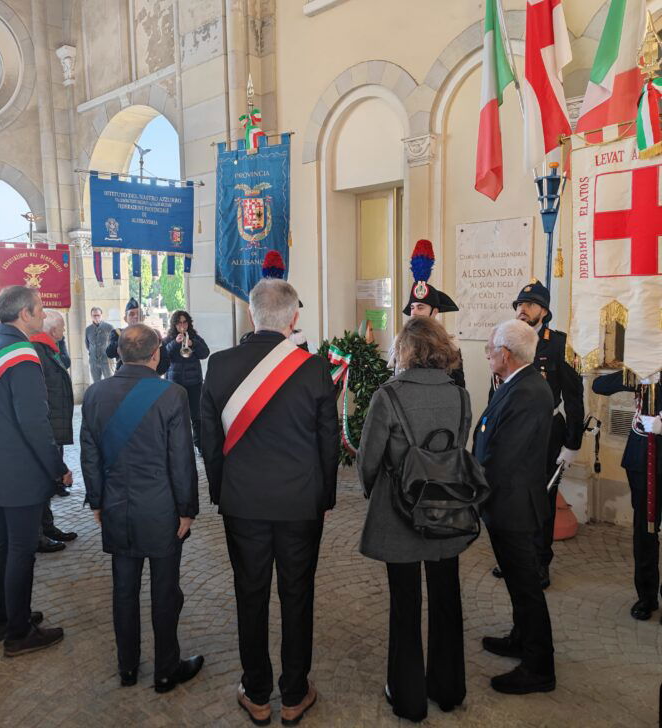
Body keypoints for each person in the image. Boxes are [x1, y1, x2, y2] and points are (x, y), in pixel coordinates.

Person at [201, 278, 339, 726]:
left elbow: (208, 442)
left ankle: (257, 693)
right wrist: (325, 497)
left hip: (244, 502)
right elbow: (327, 442)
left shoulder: (219, 366)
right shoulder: (315, 369)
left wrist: (223, 492)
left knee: (250, 594)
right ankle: (295, 694)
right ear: (294, 318)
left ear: (251, 314)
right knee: (298, 596)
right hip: (301, 502)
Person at [358, 315, 471, 722]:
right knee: (447, 599)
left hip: (398, 509)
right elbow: (459, 446)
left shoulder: (388, 396)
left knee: (405, 605)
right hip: (449, 508)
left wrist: (374, 489)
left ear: (405, 350)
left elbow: (369, 460)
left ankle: (407, 698)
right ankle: (449, 688)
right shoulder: (460, 394)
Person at [80, 324, 203, 692]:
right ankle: (166, 670)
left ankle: (127, 668)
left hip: (117, 505)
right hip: (161, 508)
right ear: (155, 355)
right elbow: (181, 459)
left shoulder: (95, 394)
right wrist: (187, 509)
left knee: (123, 590)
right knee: (166, 591)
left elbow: (89, 454)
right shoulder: (172, 394)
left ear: (118, 353)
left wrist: (98, 502)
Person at [0, 285, 71, 656]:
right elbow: (34, 421)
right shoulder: (22, 354)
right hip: (19, 469)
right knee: (21, 551)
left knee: (1, 545)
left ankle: (4, 618)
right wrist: (57, 467)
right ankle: (18, 632)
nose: (44, 315)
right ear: (24, 314)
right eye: (41, 309)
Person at [473, 319, 555, 694]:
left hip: (513, 504)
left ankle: (539, 667)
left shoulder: (527, 391)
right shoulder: (518, 384)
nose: (488, 354)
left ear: (505, 353)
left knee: (526, 587)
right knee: (517, 581)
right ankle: (521, 638)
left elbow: (505, 456)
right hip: (506, 501)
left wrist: (475, 490)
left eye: (490, 349)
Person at [491, 281, 585, 588]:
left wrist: (572, 443)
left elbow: (573, 397)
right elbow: (496, 389)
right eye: (519, 304)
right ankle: (513, 558)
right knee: (512, 497)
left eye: (529, 304)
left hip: (546, 433)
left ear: (543, 310)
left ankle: (540, 562)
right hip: (510, 432)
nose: (522, 309)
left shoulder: (558, 344)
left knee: (541, 501)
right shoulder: (505, 339)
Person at [593, 372, 662, 621]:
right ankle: (646, 596)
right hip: (642, 458)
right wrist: (635, 374)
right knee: (644, 530)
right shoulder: (641, 367)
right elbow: (599, 385)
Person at [30, 309, 78, 550]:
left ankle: (47, 526)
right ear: (51, 331)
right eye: (62, 329)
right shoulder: (38, 350)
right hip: (46, 425)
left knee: (48, 480)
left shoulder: (48, 347)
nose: (64, 332)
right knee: (41, 480)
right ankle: (39, 534)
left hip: (53, 425)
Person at [399, 240, 464, 387]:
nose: (414, 312)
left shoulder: (451, 347)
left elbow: (459, 388)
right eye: (412, 307)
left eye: (420, 307)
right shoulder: (400, 344)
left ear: (434, 312)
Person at [164, 311, 210, 454]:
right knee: (177, 416)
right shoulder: (169, 339)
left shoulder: (195, 337)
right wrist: (174, 343)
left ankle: (200, 445)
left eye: (185, 322)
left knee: (197, 416)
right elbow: (163, 356)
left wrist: (192, 343)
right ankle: (179, 446)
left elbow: (205, 353)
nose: (182, 326)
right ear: (174, 324)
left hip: (194, 383)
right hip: (175, 383)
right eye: (179, 323)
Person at [106, 297, 168, 374]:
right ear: (125, 318)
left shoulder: (153, 334)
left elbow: (164, 362)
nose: (135, 317)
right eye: (131, 314)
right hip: (124, 376)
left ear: (143, 317)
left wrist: (154, 373)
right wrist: (126, 338)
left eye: (138, 314)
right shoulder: (118, 333)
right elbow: (110, 353)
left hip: (146, 375)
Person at [85, 306, 114, 382]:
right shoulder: (88, 329)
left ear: (101, 315)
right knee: (96, 383)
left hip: (106, 360)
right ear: (91, 316)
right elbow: (87, 345)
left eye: (98, 315)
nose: (96, 317)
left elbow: (113, 344)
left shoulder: (109, 327)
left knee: (109, 382)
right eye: (94, 315)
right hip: (94, 361)